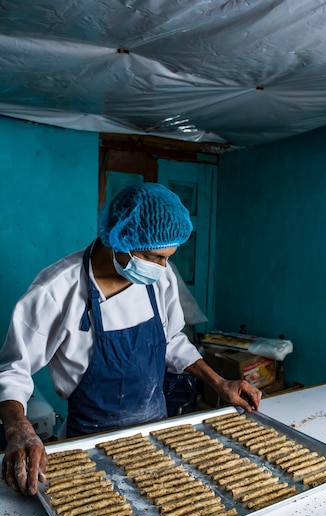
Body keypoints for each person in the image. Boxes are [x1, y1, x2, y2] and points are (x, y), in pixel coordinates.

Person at [0, 182, 261, 496]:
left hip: (155, 436)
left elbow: (172, 341)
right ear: (120, 240)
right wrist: (17, 426)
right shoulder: (56, 290)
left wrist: (220, 383)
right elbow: (13, 369)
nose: (164, 267)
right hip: (89, 444)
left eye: (168, 257)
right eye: (155, 257)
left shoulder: (159, 277)